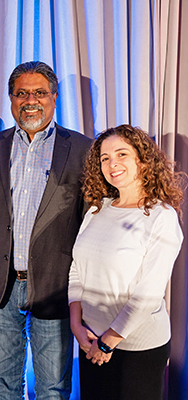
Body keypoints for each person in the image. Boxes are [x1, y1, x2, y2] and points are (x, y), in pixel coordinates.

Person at [0, 61, 92, 399]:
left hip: (55, 285)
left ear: (55, 97)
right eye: (21, 93)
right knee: (2, 383)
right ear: (10, 99)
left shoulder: (82, 149)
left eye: (39, 93)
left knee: (52, 386)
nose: (30, 100)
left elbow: (89, 222)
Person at [68, 125, 183, 400]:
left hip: (138, 349)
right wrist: (77, 326)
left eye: (122, 154)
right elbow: (77, 269)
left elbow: (148, 294)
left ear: (143, 160)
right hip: (90, 341)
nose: (112, 164)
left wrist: (108, 343)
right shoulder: (98, 209)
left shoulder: (161, 216)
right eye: (105, 158)